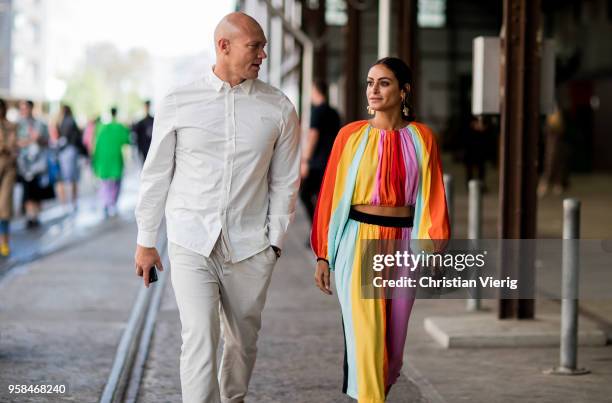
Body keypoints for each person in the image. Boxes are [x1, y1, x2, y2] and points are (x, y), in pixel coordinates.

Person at [133, 12, 300, 403]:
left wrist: (273, 243)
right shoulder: (179, 102)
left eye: (263, 46)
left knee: (242, 344)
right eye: (254, 46)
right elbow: (156, 174)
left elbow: (285, 180)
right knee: (199, 338)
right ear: (223, 46)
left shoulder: (278, 107)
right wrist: (145, 241)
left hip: (250, 246)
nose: (263, 55)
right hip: (191, 241)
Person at [311, 57, 450, 402]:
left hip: (405, 244)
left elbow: (432, 195)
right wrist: (323, 254)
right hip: (358, 242)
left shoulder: (423, 137)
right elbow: (331, 195)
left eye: (383, 83)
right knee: (368, 343)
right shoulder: (350, 136)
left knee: (392, 349)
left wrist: (432, 245)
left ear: (404, 91)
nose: (373, 90)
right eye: (370, 82)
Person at [299, 79, 340, 222]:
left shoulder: (317, 111)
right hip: (331, 161)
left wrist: (305, 161)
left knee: (305, 194)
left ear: (316, 91)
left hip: (317, 163)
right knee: (324, 198)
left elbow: (312, 136)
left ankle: (316, 229)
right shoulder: (334, 112)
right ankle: (323, 230)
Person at [16, 100, 54, 229]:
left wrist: (39, 139)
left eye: (25, 108)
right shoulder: (18, 125)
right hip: (24, 164)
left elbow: (47, 141)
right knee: (27, 191)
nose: (24, 111)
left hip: (38, 164)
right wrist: (31, 139)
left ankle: (35, 216)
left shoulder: (40, 124)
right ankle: (29, 216)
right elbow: (17, 143)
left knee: (37, 192)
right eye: (22, 108)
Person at [92, 107, 130, 217]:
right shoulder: (119, 127)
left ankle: (106, 202)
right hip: (115, 159)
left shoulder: (100, 128)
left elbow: (95, 145)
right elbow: (127, 140)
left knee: (105, 183)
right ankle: (112, 202)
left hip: (102, 160)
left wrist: (94, 162)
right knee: (116, 183)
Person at [0, 99, 18, 256]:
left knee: (4, 207)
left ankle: (4, 242)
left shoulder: (11, 126)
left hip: (7, 169)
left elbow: (13, 145)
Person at [55, 104, 82, 209]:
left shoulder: (61, 122)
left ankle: (65, 202)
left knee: (65, 178)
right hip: (71, 150)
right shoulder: (71, 121)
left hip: (63, 151)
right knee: (72, 178)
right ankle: (73, 201)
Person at [132, 100, 154, 164]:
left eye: (147, 106)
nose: (147, 108)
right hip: (144, 147)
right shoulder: (140, 123)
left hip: (151, 147)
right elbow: (135, 133)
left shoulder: (153, 120)